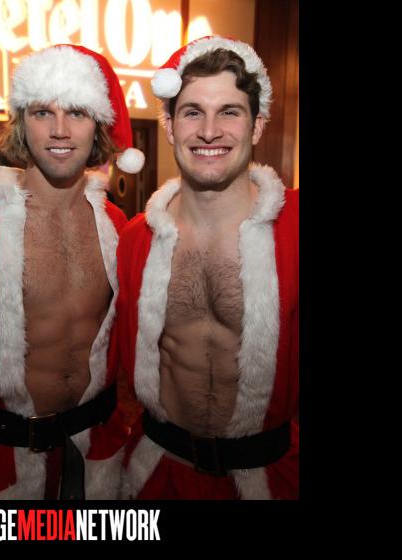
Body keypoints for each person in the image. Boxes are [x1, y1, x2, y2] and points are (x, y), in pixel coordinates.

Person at [116, 36, 298, 500]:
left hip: (272, 476)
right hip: (158, 474)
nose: (210, 131)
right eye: (193, 112)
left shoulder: (296, 229)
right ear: (170, 127)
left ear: (257, 126)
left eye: (229, 112)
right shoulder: (136, 240)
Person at [0, 44, 145, 500]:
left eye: (77, 113)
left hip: (97, 450)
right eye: (43, 112)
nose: (60, 130)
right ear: (21, 123)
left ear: (97, 126)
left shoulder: (118, 227)